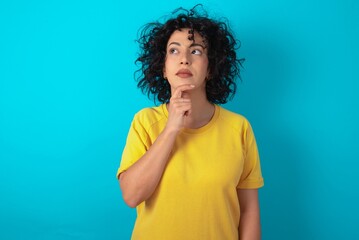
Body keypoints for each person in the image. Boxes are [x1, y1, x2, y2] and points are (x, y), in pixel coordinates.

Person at [117, 5, 264, 240]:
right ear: (163, 68)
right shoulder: (144, 121)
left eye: (195, 52)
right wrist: (171, 129)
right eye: (174, 51)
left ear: (211, 67)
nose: (184, 59)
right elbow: (131, 196)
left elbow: (248, 211)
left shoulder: (239, 128)